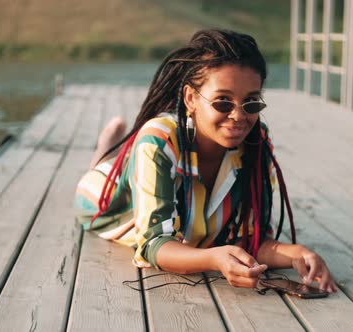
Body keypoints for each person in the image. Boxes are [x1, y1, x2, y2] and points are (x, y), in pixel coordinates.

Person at [75, 29, 337, 292]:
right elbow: (153, 244)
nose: (238, 116)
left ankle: (111, 149)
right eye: (223, 102)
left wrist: (297, 254)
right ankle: (105, 150)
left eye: (251, 103)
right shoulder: (159, 140)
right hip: (109, 200)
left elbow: (252, 239)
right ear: (190, 98)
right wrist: (214, 258)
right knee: (100, 172)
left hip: (161, 184)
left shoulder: (256, 144)